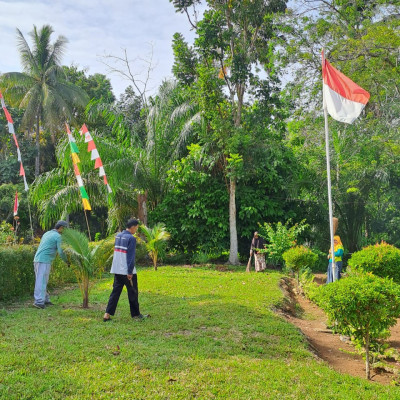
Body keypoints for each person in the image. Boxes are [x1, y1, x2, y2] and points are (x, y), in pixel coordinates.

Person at [103, 219, 148, 321]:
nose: (136, 230)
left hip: (117, 269)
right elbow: (130, 256)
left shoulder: (118, 236)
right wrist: (130, 271)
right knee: (133, 292)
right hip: (126, 270)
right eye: (136, 228)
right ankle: (136, 314)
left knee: (115, 293)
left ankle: (107, 314)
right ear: (132, 227)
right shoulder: (131, 238)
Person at [33, 220, 68, 309]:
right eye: (65, 229)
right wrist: (67, 261)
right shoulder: (58, 237)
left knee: (43, 280)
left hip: (40, 259)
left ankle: (45, 299)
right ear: (61, 228)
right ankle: (38, 302)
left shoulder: (47, 233)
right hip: (43, 260)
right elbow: (61, 252)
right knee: (41, 281)